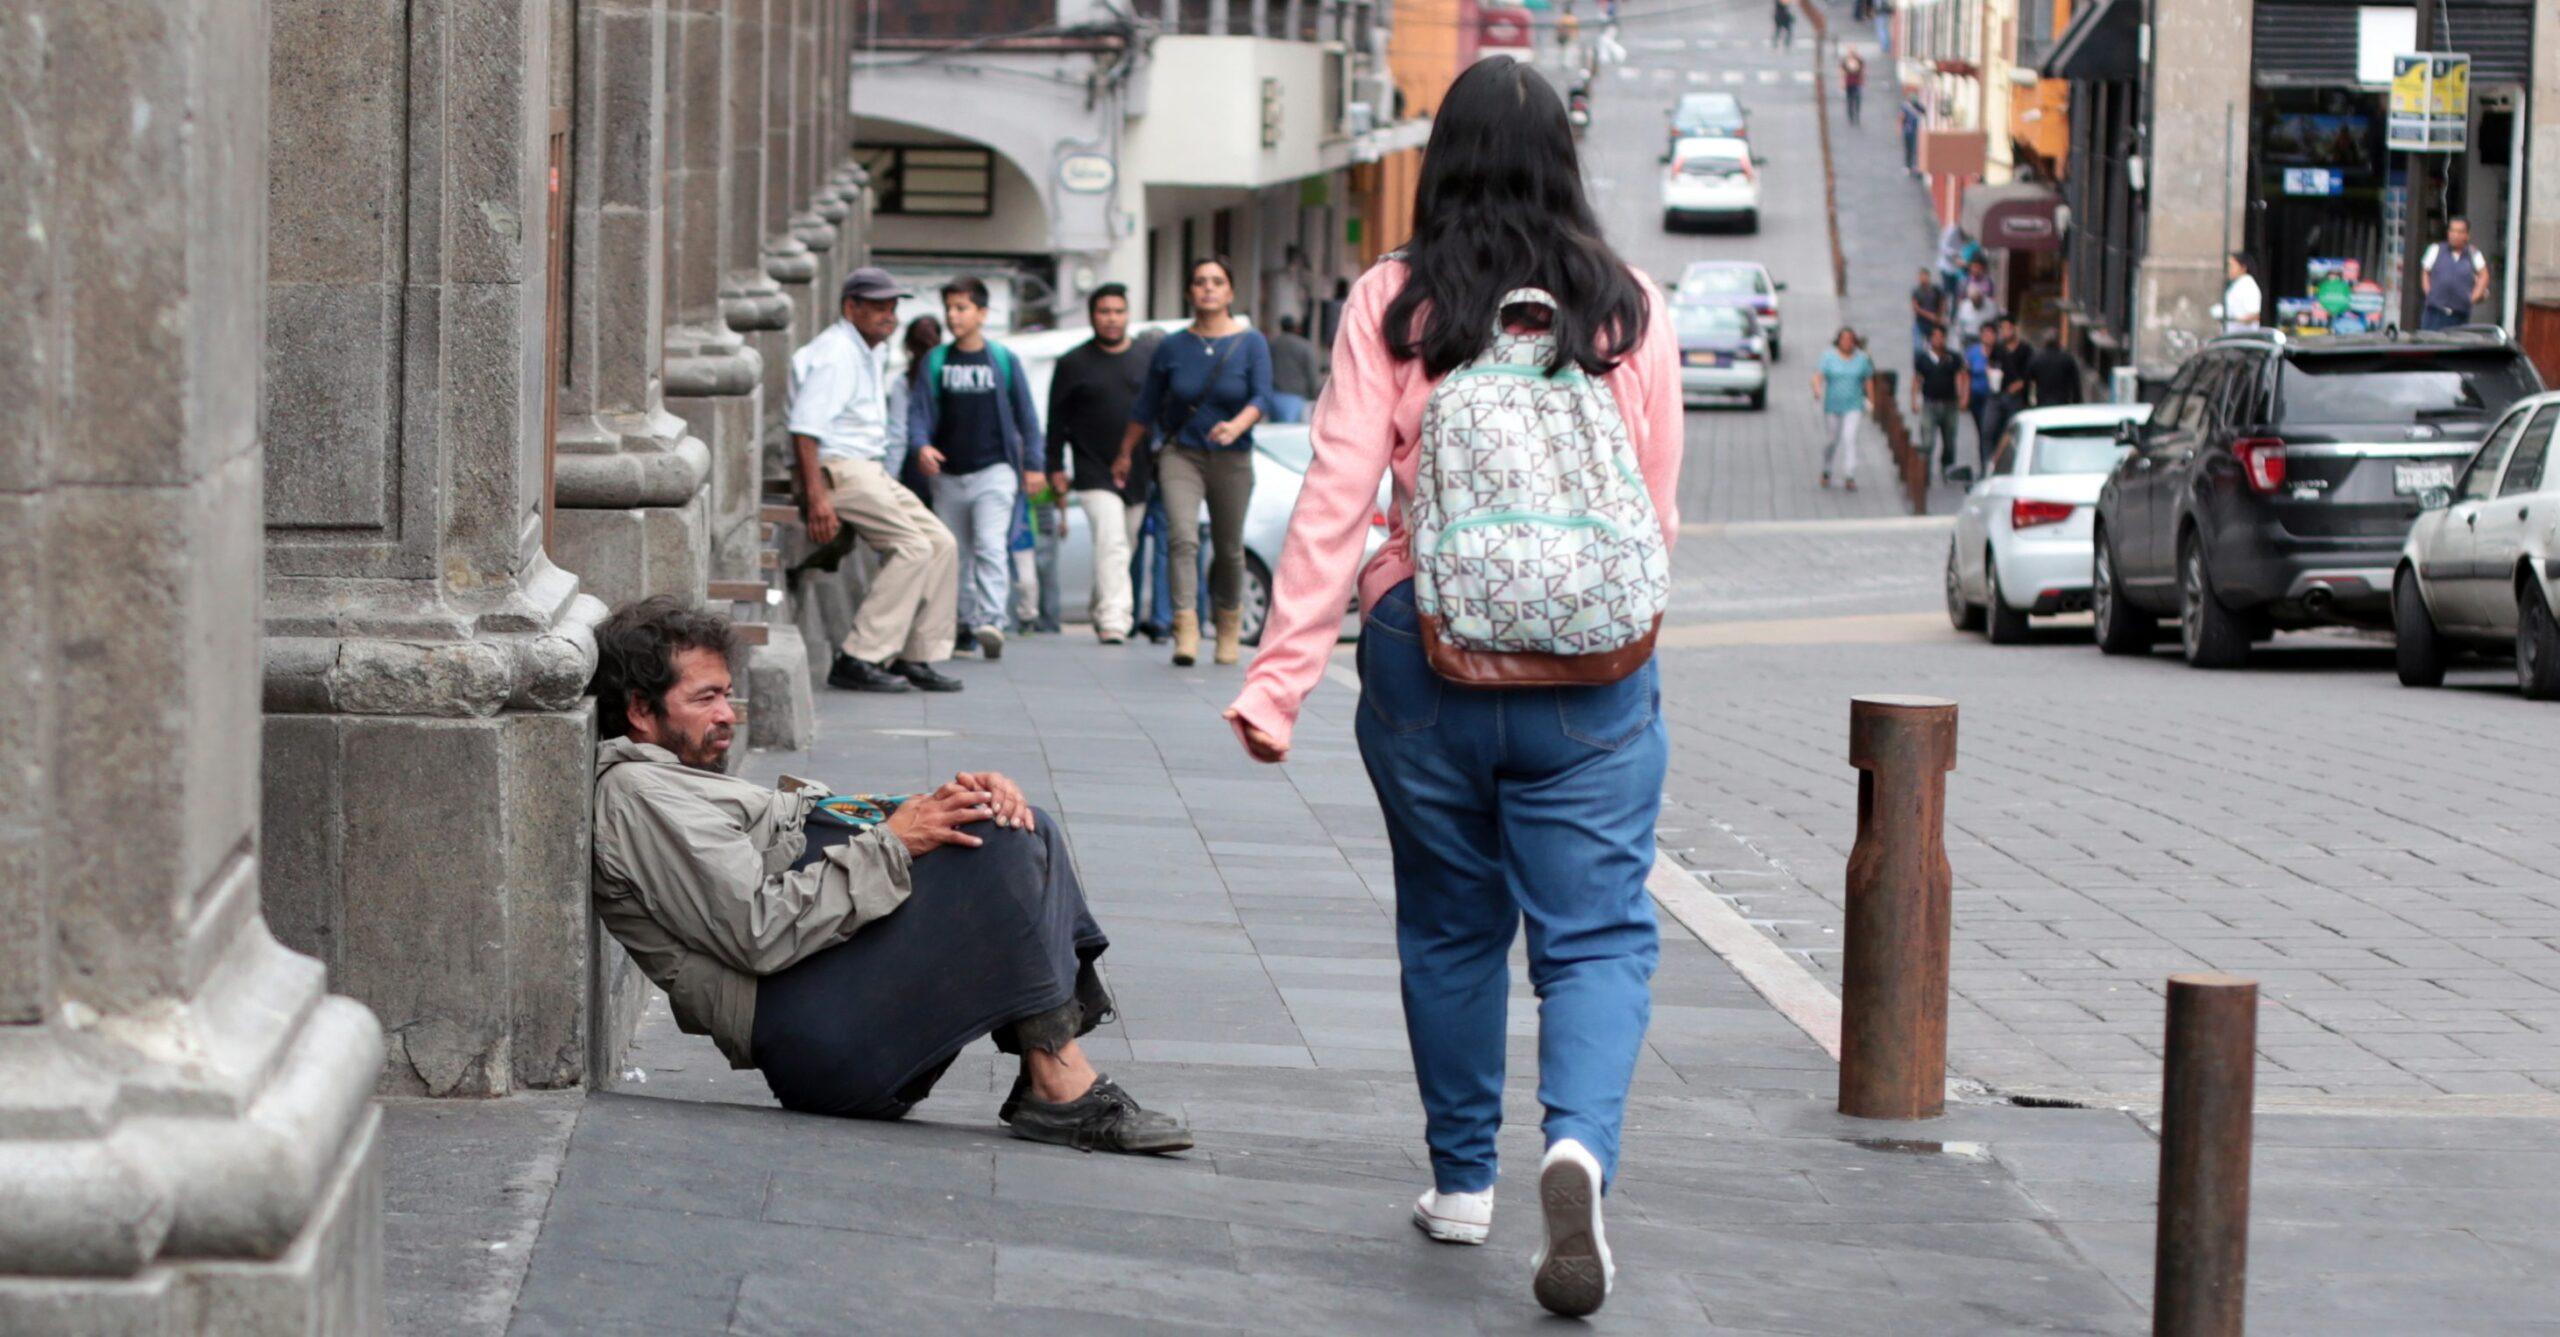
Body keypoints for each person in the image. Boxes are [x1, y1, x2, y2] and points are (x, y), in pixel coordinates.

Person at [1221, 57, 1682, 1320]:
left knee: (1449, 922)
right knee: (1591, 935)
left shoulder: (1396, 301)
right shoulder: (1627, 307)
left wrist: (1281, 679)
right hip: (1593, 674)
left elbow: (1331, 500)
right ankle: (1577, 1143)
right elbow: (1654, 512)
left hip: (1421, 650)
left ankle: (1462, 1181)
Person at [586, 597, 1192, 1151]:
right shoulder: (639, 794)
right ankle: (1058, 1087)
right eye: (705, 699)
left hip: (823, 996)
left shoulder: (673, 775)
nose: (727, 715)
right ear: (640, 709)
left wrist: (926, 806)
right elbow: (757, 931)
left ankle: (1053, 1072)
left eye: (726, 694)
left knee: (1005, 821)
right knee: (999, 842)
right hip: (813, 1038)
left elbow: (798, 819)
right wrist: (897, 842)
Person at [789, 268, 964, 695]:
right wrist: (817, 498)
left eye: (893, 307)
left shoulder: (868, 350)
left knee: (942, 543)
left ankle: (916, 653)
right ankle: (858, 657)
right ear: (851, 308)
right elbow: (805, 431)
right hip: (840, 467)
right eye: (879, 307)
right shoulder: (835, 353)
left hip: (868, 465)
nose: (890, 316)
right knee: (913, 546)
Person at [1118, 256, 1272, 668]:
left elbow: (1261, 396)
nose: (1208, 288)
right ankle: (1184, 628)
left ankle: (1226, 627)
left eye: (1217, 282)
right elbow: (1147, 405)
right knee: (1182, 539)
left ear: (1230, 292)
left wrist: (1236, 426)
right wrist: (1124, 453)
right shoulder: (1171, 346)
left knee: (1229, 549)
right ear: (1189, 292)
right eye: (1200, 281)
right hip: (1180, 453)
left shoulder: (1250, 342)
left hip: (1232, 457)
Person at [909, 276, 1045, 662]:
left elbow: (1026, 417)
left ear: (982, 313)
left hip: (994, 470)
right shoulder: (936, 360)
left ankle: (991, 621)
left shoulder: (1002, 360)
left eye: (962, 308)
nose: (954, 316)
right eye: (949, 308)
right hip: (948, 474)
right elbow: (918, 414)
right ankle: (964, 625)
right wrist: (922, 446)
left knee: (990, 545)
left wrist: (1033, 465)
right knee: (956, 553)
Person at [1045, 284, 1162, 644]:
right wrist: (1055, 468)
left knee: (1121, 546)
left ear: (1128, 314)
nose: (1112, 319)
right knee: (1111, 542)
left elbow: (1160, 411)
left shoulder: (1147, 357)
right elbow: (1056, 422)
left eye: (1118, 311)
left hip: (1139, 469)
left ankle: (1101, 605)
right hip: (1092, 469)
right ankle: (1115, 619)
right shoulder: (1072, 363)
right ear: (1093, 316)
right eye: (1104, 312)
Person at [885, 314, 942, 502]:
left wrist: (889, 477)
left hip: (915, 469)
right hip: (948, 467)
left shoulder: (904, 383)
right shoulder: (947, 378)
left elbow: (898, 433)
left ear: (907, 346)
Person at [1813, 327, 1874, 491]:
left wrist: (1870, 400)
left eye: (1850, 340)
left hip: (1853, 405)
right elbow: (1818, 375)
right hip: (1833, 405)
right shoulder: (1829, 357)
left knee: (1849, 437)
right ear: (1838, 341)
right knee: (1832, 440)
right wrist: (1817, 389)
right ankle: (1827, 468)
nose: (1847, 343)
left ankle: (1849, 474)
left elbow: (1868, 380)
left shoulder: (1862, 359)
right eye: (1844, 339)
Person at [1912, 325, 1970, 481]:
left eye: (1941, 336)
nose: (1938, 339)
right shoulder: (1923, 358)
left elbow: (1962, 375)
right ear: (1930, 339)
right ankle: (1925, 471)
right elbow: (1917, 379)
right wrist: (1914, 400)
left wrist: (1963, 397)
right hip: (1929, 403)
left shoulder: (1953, 357)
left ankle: (1947, 468)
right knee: (1927, 440)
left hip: (1950, 404)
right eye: (1935, 336)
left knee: (1949, 440)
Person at [2420, 218, 2492, 330]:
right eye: (2452, 231)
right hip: (2434, 313)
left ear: (2467, 235)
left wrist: (2473, 297)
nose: (2455, 235)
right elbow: (2425, 272)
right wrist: (2429, 292)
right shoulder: (2436, 249)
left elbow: (2484, 275)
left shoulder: (2473, 254)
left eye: (2459, 232)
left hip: (2459, 315)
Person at [1268, 314, 1325, 423]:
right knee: (1289, 433)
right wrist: (1314, 394)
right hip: (1295, 397)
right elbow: (1311, 373)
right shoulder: (1304, 346)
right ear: (1296, 328)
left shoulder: (1272, 345)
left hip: (1273, 395)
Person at [2027, 332, 2083, 407]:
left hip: (2042, 403)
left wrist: (2027, 403)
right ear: (2059, 342)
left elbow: (2027, 381)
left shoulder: (2036, 359)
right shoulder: (2067, 358)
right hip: (2062, 403)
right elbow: (2076, 384)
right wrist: (2077, 403)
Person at [1909, 266, 1948, 362]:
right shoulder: (1916, 291)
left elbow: (1942, 302)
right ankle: (1918, 369)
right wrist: (1930, 315)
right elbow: (1915, 307)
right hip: (1920, 323)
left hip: (1934, 325)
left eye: (1924, 276)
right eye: (1920, 276)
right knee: (1918, 349)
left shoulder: (1936, 289)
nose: (1922, 279)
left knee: (1936, 348)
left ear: (1928, 277)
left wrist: (1940, 316)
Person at [2218, 252, 2262, 334]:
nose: (2228, 269)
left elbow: (2255, 314)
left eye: (2231, 266)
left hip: (2242, 338)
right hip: (2231, 336)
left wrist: (2236, 320)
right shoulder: (2236, 285)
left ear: (2243, 267)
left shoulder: (2248, 286)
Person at [1953, 283, 1998, 349]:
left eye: (1978, 299)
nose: (1976, 302)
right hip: (1969, 338)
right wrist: (1960, 337)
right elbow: (1959, 323)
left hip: (1985, 338)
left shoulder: (1990, 305)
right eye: (1974, 300)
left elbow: (1995, 322)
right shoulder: (1964, 306)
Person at [1900, 89, 1924, 177]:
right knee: (1908, 149)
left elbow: (1923, 112)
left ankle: (1914, 166)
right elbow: (1902, 117)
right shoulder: (1905, 106)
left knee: (1915, 149)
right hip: (1908, 131)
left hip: (1916, 131)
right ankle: (1907, 165)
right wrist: (1900, 128)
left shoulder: (1918, 107)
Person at [1839, 49, 1866, 126]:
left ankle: (1856, 114)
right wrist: (1842, 82)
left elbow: (1863, 70)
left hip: (1857, 83)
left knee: (1858, 98)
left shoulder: (1859, 60)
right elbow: (1842, 72)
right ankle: (1850, 116)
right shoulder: (1845, 61)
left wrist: (1863, 80)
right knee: (1849, 100)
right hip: (1849, 83)